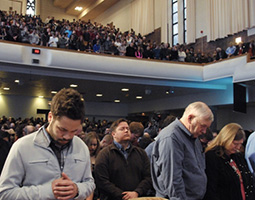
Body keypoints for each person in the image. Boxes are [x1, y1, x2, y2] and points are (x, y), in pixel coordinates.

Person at [0, 88, 95, 200]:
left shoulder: (82, 146)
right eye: (62, 129)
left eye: (74, 131)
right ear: (50, 117)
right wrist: (48, 191)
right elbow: (5, 193)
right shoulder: (22, 146)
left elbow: (90, 183)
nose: (67, 136)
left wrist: (77, 189)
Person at [151, 101, 214, 199]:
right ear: (190, 118)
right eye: (203, 126)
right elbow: (173, 180)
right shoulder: (171, 137)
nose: (204, 131)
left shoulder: (193, 136)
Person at [94, 118, 152, 200]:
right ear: (113, 134)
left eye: (127, 129)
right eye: (122, 129)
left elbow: (148, 177)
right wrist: (123, 195)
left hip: (137, 198)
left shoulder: (141, 153)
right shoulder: (104, 154)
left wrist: (137, 192)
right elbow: (102, 181)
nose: (126, 131)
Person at [204, 123, 255, 200]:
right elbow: (211, 188)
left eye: (240, 144)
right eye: (235, 144)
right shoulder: (212, 157)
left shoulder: (238, 156)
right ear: (226, 139)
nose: (238, 147)